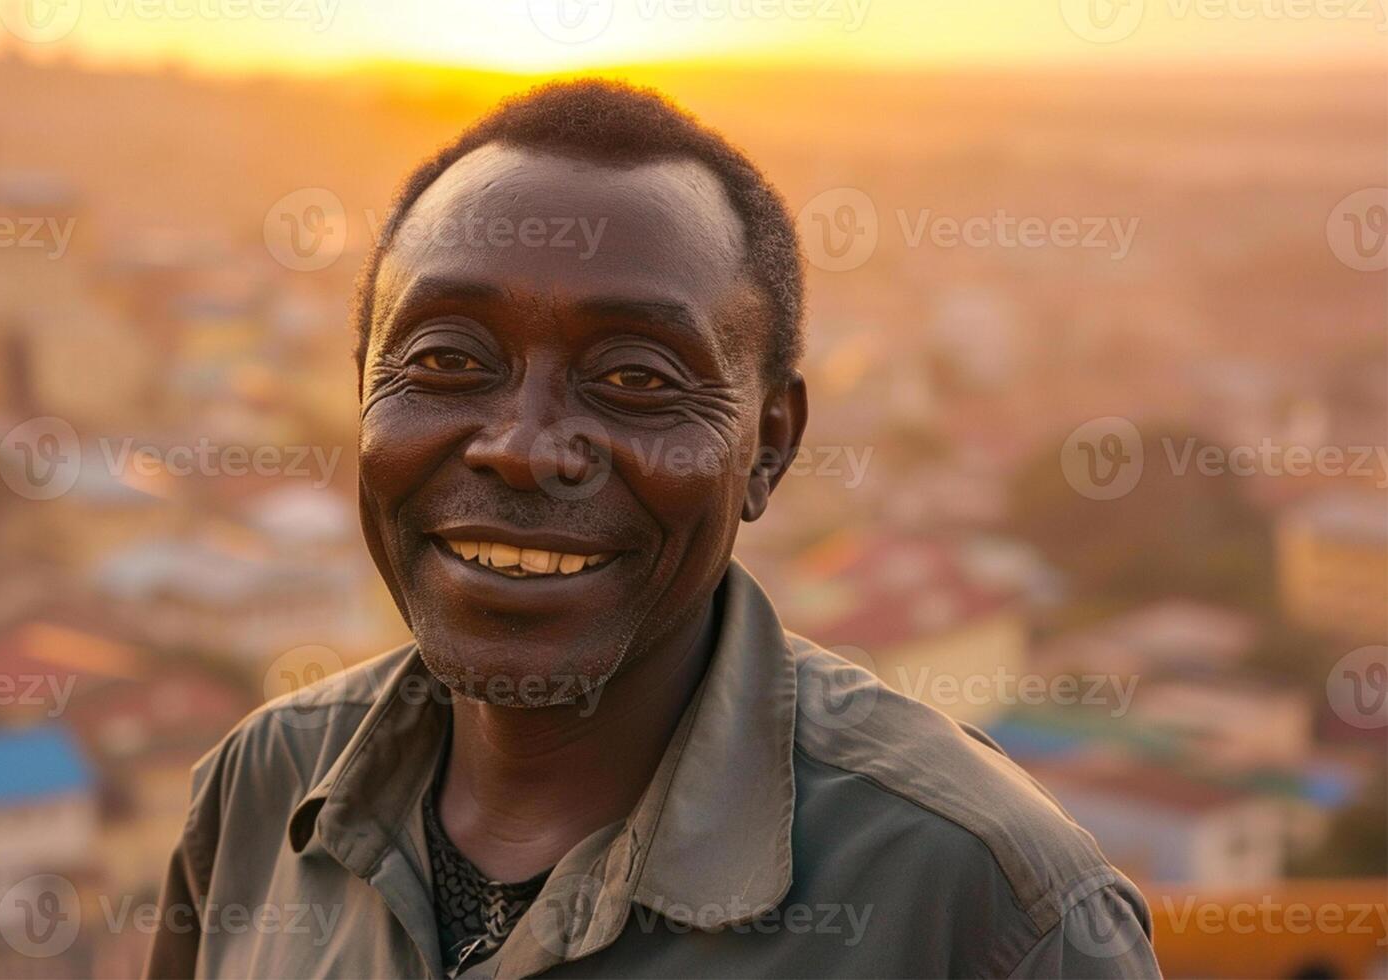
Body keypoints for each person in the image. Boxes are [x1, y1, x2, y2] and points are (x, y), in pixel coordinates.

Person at [146, 78, 1158, 979]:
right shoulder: (260, 793)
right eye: (449, 360)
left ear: (767, 444)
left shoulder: (990, 910)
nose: (522, 445)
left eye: (636, 377)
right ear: (361, 393)